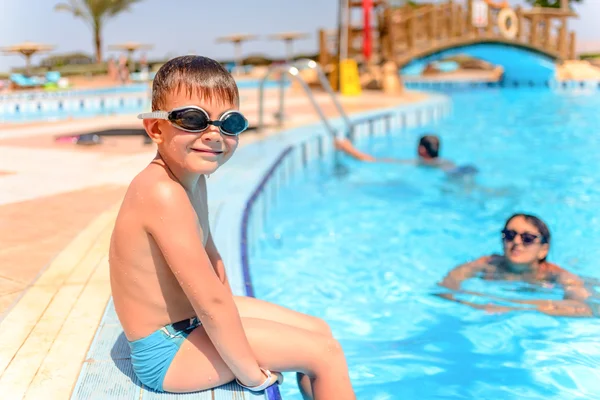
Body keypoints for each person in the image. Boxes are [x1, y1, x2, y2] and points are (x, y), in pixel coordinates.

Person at [109, 55, 356, 399]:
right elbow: (211, 301)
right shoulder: (161, 191)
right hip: (167, 352)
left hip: (190, 324)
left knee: (320, 330)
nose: (213, 134)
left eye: (230, 123)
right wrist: (251, 375)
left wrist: (247, 326)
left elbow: (213, 262)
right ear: (156, 129)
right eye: (193, 120)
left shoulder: (193, 179)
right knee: (324, 354)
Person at [437, 213, 594, 317]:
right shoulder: (487, 264)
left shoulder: (556, 275)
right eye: (510, 235)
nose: (516, 242)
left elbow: (585, 308)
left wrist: (512, 306)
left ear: (543, 250)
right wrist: (467, 304)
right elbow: (446, 286)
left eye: (528, 238)